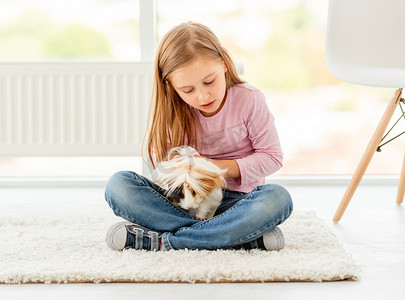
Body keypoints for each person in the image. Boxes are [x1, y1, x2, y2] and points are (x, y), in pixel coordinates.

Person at [105, 22, 293, 251]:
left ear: (224, 62)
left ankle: (165, 240)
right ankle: (234, 237)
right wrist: (182, 174)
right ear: (171, 86)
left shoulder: (249, 100)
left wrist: (211, 169)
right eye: (188, 90)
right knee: (119, 185)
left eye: (209, 81)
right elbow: (164, 171)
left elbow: (272, 158)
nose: (203, 96)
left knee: (277, 199)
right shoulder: (172, 111)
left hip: (237, 203)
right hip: (184, 204)